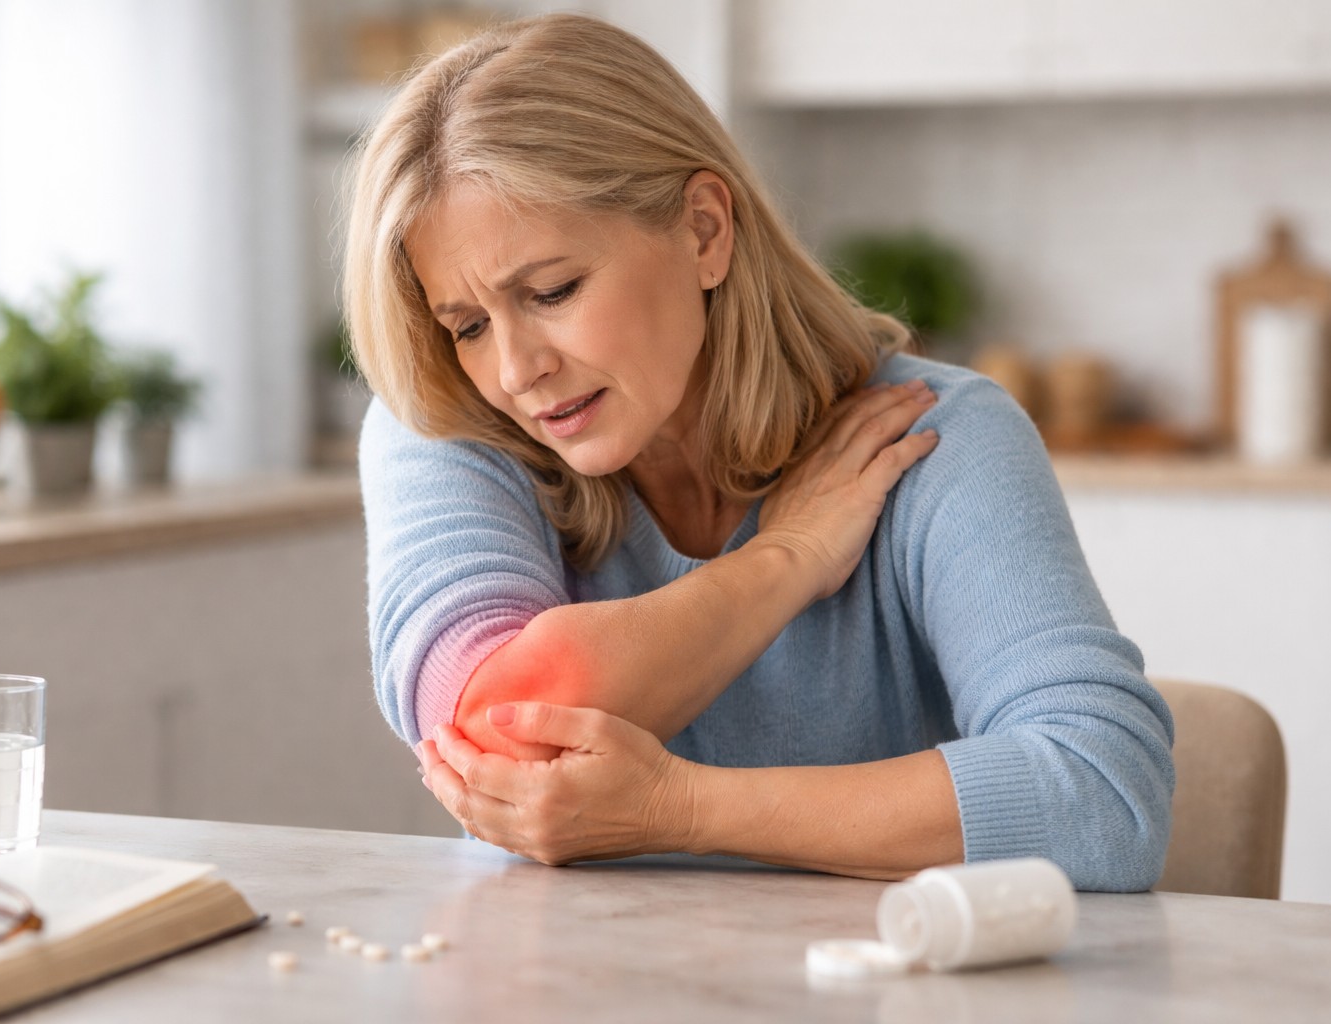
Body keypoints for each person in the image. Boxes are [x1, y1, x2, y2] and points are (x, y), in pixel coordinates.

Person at [345, 13, 1173, 890]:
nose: (515, 372)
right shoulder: (448, 422)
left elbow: (1107, 796)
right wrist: (786, 559)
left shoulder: (930, 436)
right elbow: (496, 729)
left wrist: (684, 810)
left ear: (704, 231)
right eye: (468, 326)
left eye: (552, 291)